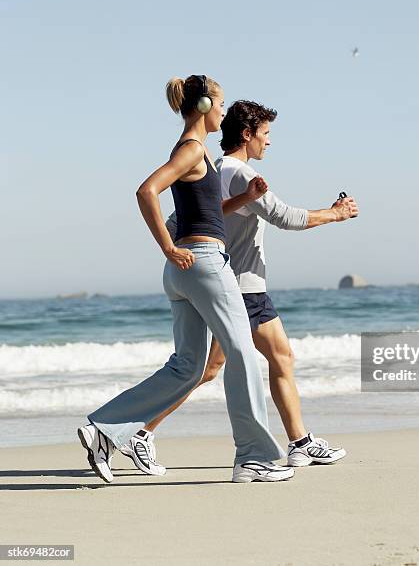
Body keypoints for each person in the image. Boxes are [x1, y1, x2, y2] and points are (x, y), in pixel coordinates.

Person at [121, 100, 358, 473]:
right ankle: (139, 432)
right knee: (207, 368)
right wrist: (336, 213)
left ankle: (300, 442)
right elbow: (286, 217)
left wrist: (191, 250)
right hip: (239, 286)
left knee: (276, 358)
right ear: (246, 134)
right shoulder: (235, 171)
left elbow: (174, 222)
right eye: (265, 134)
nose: (269, 142)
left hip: (241, 284)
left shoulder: (216, 169)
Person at [77, 76, 295, 484]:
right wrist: (167, 247)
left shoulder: (200, 155)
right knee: (243, 352)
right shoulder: (193, 149)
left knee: (188, 367)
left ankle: (105, 429)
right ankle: (254, 457)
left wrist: (245, 199)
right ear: (204, 106)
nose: (225, 113)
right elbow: (147, 191)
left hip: (188, 270)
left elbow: (208, 209)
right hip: (203, 263)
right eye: (222, 104)